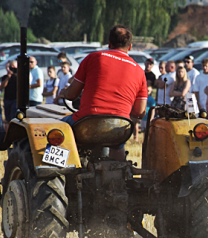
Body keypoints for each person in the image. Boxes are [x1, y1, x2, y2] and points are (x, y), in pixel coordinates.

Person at [60, 24, 147, 162]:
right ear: (129, 47)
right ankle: (119, 176)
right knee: (118, 145)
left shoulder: (93, 57)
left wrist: (63, 93)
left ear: (109, 43)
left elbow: (72, 95)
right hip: (119, 126)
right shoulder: (139, 71)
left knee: (56, 130)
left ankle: (57, 169)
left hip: (87, 122)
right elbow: (139, 112)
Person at [1, 60, 18, 131]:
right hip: (7, 99)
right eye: (10, 67)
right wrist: (8, 77)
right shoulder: (5, 77)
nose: (12, 68)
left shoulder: (19, 77)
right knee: (7, 118)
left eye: (13, 67)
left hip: (15, 99)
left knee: (13, 118)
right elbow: (2, 86)